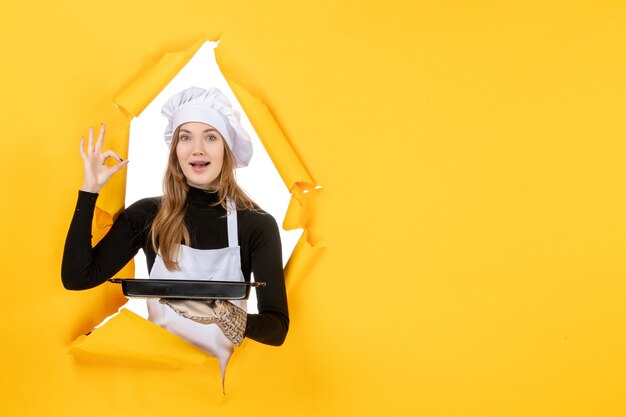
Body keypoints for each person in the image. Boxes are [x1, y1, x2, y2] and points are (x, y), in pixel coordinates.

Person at [62, 87, 289, 374]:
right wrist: (89, 191)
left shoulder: (256, 225)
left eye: (210, 137)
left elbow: (277, 328)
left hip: (218, 391)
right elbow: (77, 278)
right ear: (175, 150)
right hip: (157, 383)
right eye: (186, 137)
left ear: (226, 148)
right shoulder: (147, 216)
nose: (198, 149)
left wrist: (219, 312)